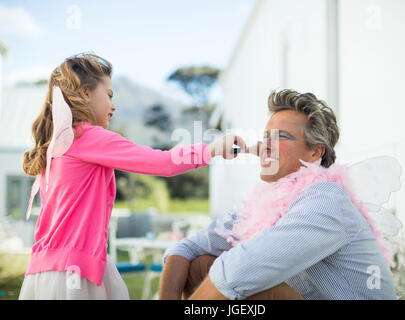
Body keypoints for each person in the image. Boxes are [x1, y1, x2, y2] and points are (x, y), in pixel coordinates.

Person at [18, 53, 245, 300]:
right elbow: (163, 162)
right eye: (109, 95)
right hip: (74, 276)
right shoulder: (88, 137)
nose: (113, 105)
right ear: (85, 93)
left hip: (43, 273)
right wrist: (212, 149)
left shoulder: (58, 144)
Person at [160, 89, 398, 300]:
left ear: (315, 152)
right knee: (198, 265)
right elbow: (186, 248)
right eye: (266, 136)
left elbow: (237, 271)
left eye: (281, 136)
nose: (266, 145)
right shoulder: (265, 202)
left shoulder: (327, 200)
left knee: (253, 286)